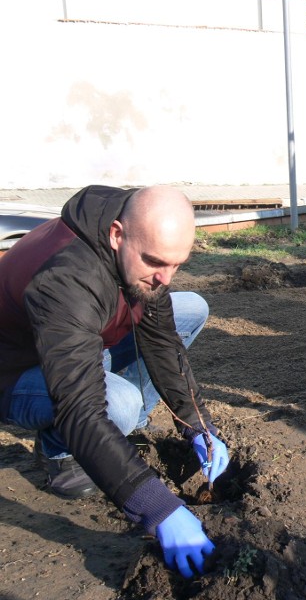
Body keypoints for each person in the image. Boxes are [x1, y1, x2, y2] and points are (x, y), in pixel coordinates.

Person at [0, 185, 229, 579]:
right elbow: (81, 410)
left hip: (75, 340)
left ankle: (119, 432)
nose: (165, 277)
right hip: (15, 370)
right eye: (156, 261)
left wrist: (198, 425)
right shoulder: (66, 280)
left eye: (177, 264)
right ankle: (61, 456)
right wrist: (159, 509)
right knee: (115, 407)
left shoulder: (139, 237)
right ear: (117, 235)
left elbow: (160, 340)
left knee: (190, 308)